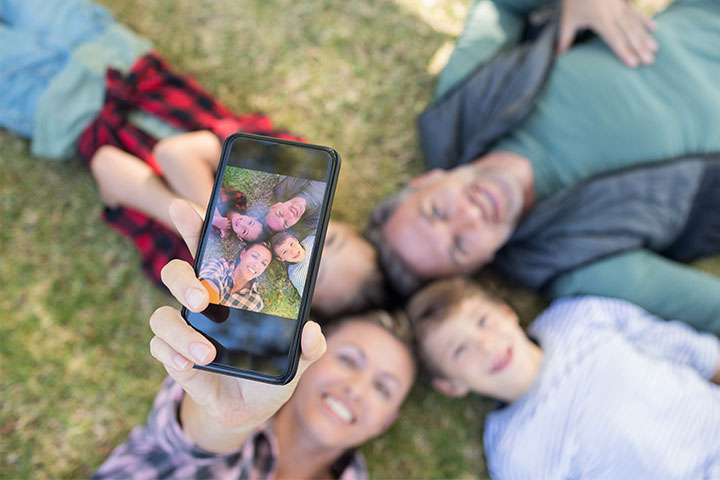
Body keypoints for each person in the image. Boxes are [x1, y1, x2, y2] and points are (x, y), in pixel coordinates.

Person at [366, 0, 720, 331]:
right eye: (460, 245)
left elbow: (499, 5)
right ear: (480, 263)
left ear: (428, 179)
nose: (469, 216)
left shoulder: (460, 107)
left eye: (437, 211)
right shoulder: (577, 265)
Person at [91, 200, 416, 480]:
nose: (355, 389)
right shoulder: (221, 373)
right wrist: (227, 421)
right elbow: (193, 437)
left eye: (383, 389)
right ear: (307, 354)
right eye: (347, 360)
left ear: (387, 421)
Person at [406, 277, 720, 479]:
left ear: (507, 313)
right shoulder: (512, 451)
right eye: (460, 351)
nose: (487, 346)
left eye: (484, 321)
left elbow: (689, 350)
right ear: (452, 386)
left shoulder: (579, 318)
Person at [199, 242, 272, 312]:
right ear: (243, 254)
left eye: (263, 263)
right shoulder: (219, 265)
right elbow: (208, 282)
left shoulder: (255, 303)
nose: (257, 265)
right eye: (254, 256)